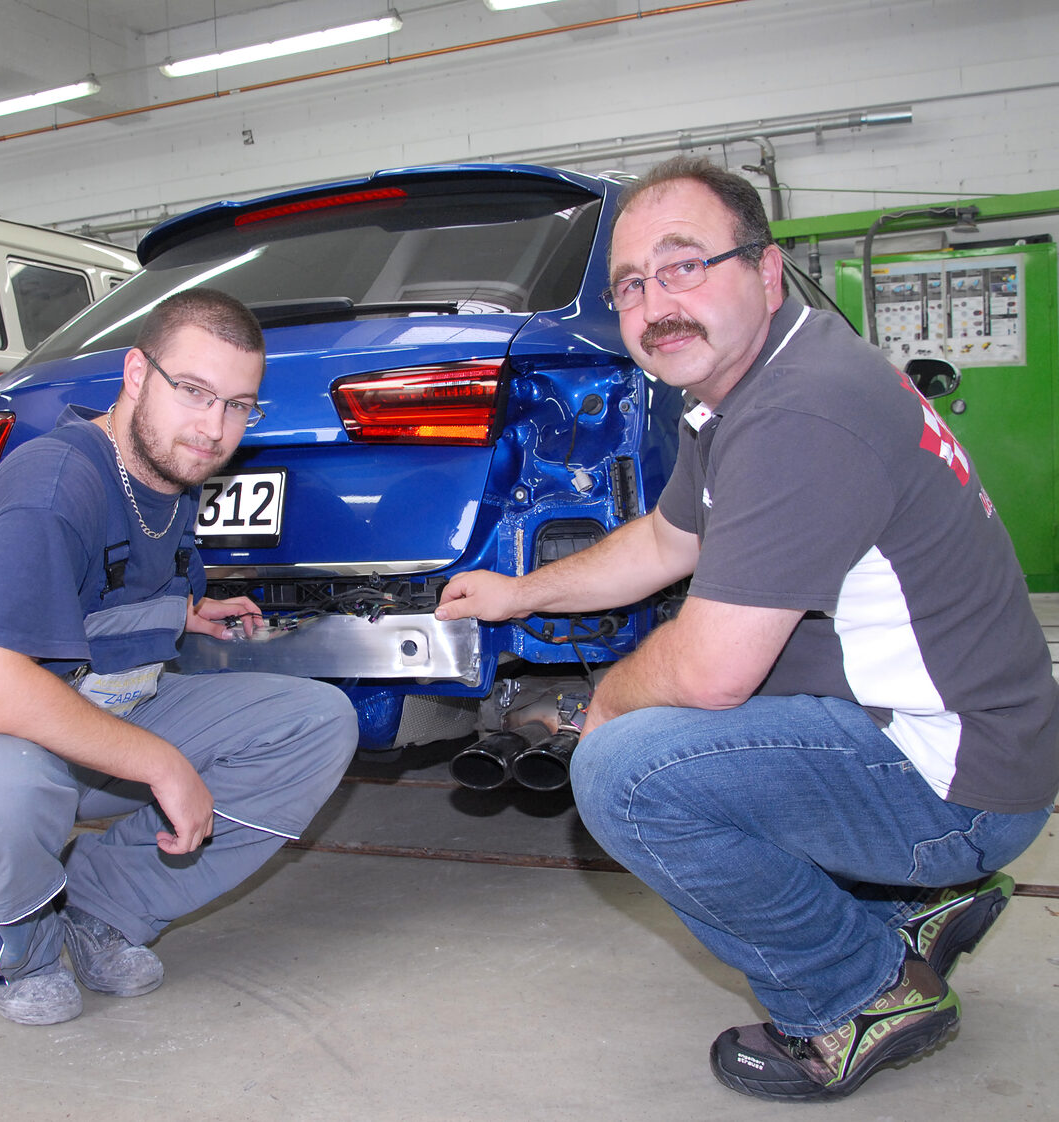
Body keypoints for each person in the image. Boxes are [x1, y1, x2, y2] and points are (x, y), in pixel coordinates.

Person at [436, 156, 1058, 1101]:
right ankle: (911, 904)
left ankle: (859, 992)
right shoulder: (755, 386)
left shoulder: (800, 410)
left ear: (766, 273)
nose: (654, 305)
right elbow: (665, 537)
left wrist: (604, 703)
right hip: (979, 744)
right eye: (631, 285)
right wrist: (520, 594)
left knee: (629, 773)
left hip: (961, 782)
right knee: (711, 705)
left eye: (684, 265)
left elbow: (716, 669)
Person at [0, 288, 357, 1027]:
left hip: (102, 713)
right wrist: (163, 765)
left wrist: (191, 613)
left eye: (239, 405)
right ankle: (26, 945)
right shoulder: (57, 482)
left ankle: (101, 907)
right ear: (136, 373)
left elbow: (110, 588)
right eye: (194, 392)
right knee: (6, 788)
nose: (214, 428)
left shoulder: (171, 474)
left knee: (318, 722)